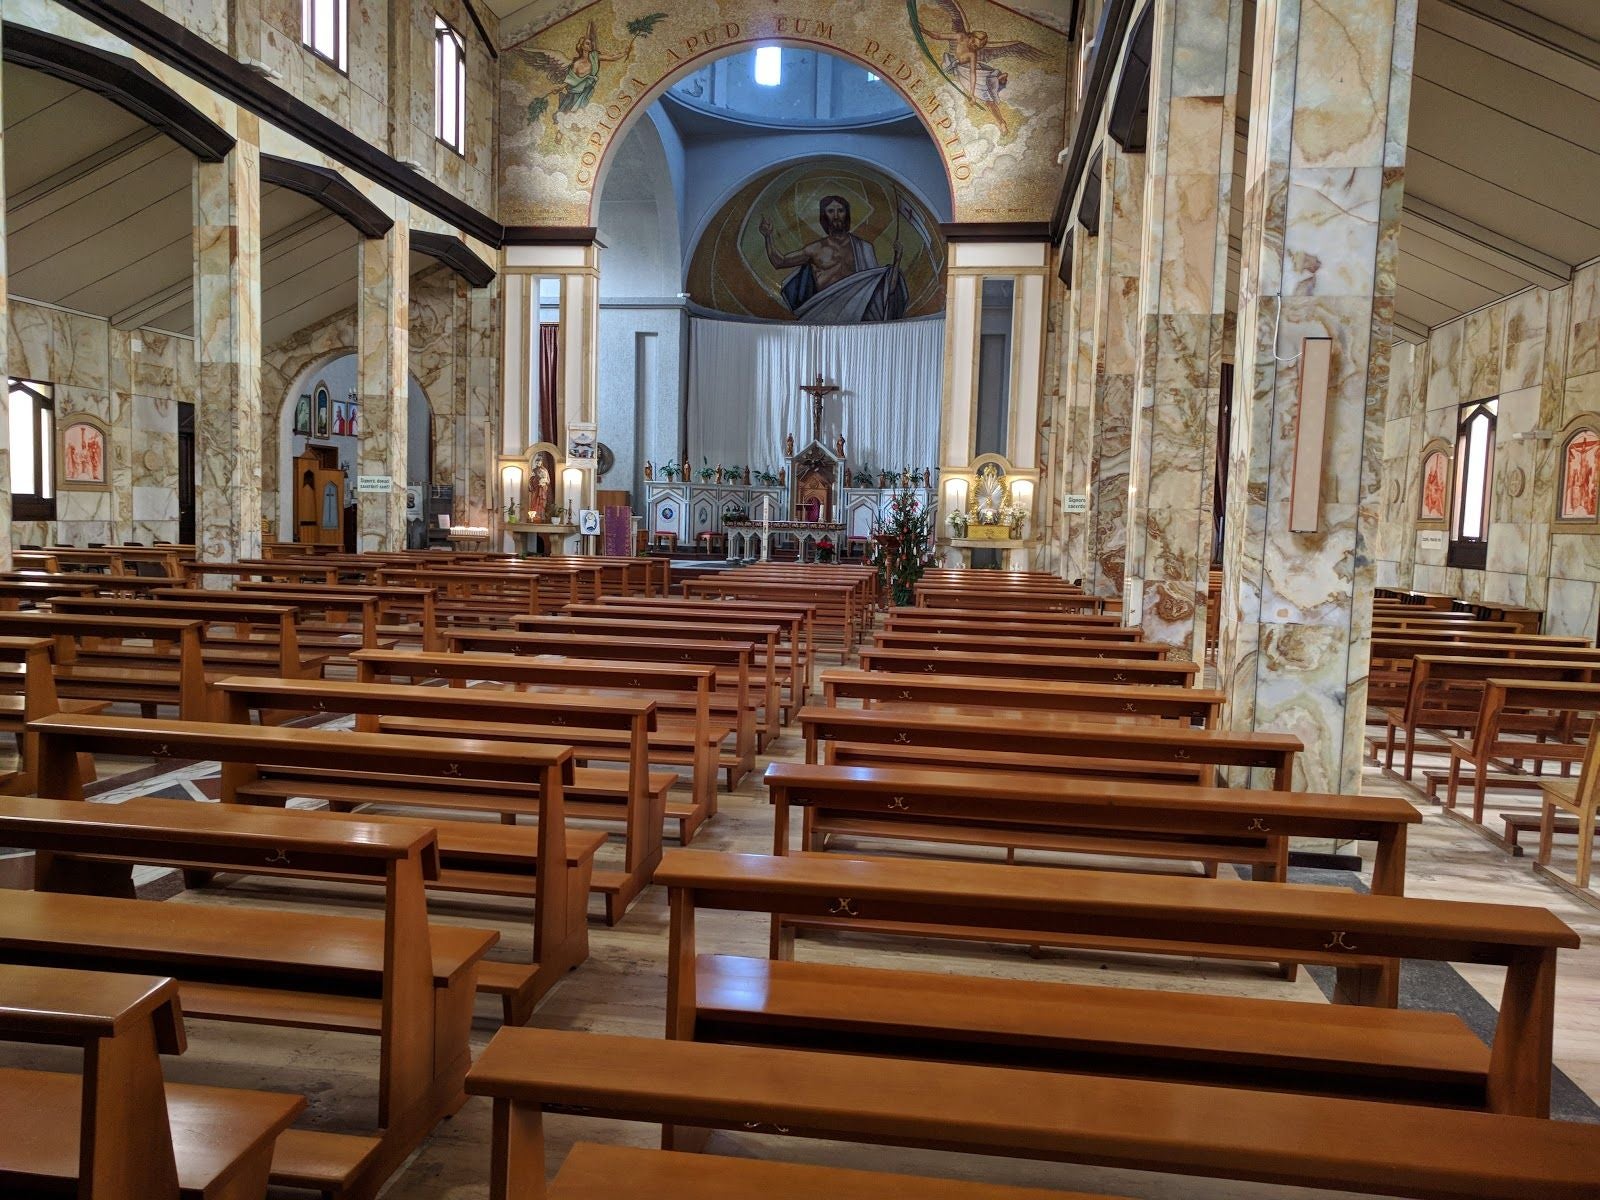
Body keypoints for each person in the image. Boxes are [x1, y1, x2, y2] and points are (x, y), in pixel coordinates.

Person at [759, 195, 908, 323]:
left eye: (840, 210)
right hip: (821, 314)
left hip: (858, 318)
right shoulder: (815, 249)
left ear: (847, 214)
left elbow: (881, 289)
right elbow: (779, 262)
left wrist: (897, 260)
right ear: (824, 216)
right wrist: (768, 237)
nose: (836, 215)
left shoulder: (864, 248)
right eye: (831, 211)